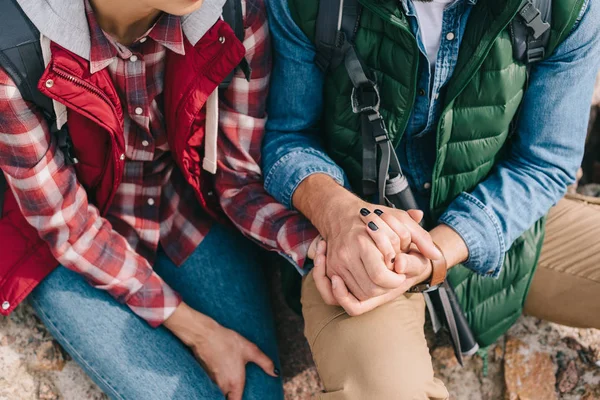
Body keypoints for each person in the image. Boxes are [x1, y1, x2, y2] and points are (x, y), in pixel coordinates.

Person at [262, 0, 600, 398]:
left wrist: (435, 253)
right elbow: (287, 137)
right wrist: (338, 213)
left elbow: (545, 163)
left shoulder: (566, 7)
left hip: (504, 232)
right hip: (359, 255)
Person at [0, 0, 316, 398]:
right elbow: (68, 227)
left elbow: (238, 181)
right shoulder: (12, 51)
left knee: (258, 389)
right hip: (64, 252)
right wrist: (199, 331)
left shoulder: (235, 12)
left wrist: (318, 245)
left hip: (180, 206)